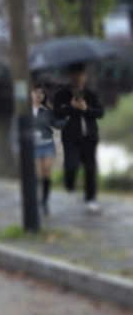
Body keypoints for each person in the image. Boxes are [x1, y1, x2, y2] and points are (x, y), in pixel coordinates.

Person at [57, 63, 103, 208]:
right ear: (70, 77)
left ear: (85, 77)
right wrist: (71, 107)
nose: (78, 78)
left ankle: (91, 199)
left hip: (89, 137)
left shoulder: (91, 94)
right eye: (75, 76)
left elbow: (100, 113)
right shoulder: (62, 94)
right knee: (72, 165)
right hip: (71, 137)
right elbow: (57, 113)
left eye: (81, 75)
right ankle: (69, 185)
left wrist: (86, 108)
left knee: (90, 168)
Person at [30, 82, 58, 218]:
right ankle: (34, 199)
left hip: (47, 145)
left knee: (47, 172)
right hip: (34, 146)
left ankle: (44, 201)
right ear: (31, 94)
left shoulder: (46, 111)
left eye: (41, 94)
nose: (38, 96)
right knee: (37, 172)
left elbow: (59, 125)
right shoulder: (25, 111)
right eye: (36, 93)